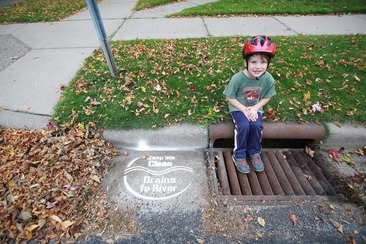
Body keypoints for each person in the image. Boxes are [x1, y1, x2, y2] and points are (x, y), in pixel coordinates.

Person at [223, 35, 277, 174]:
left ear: (268, 64)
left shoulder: (268, 78)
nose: (258, 67)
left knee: (256, 125)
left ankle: (254, 152)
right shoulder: (238, 78)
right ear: (246, 62)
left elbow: (267, 96)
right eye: (253, 62)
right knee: (244, 125)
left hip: (255, 108)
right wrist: (244, 110)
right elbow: (230, 96)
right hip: (238, 107)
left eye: (263, 62)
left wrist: (255, 108)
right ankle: (239, 154)